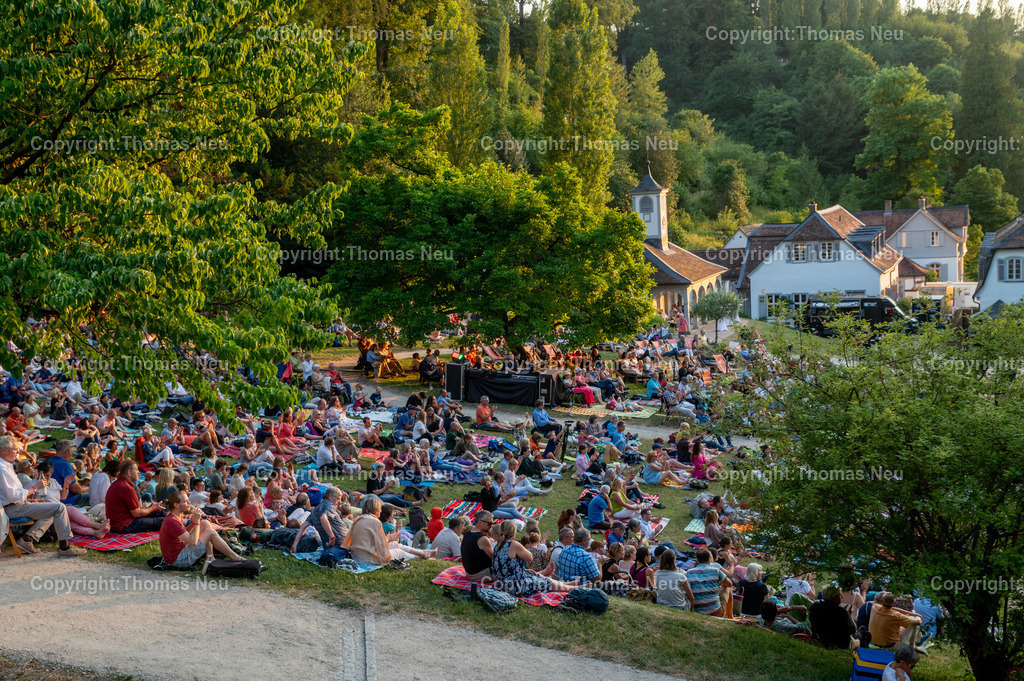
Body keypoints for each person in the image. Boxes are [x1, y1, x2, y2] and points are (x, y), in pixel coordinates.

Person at [0, 437, 86, 557]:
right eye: (14, 450)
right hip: (13, 508)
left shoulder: (6, 464)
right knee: (59, 508)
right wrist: (35, 488)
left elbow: (14, 494)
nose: (17, 452)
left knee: (54, 509)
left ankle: (27, 539)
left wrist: (29, 457)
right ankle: (64, 547)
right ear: (4, 451)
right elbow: (14, 496)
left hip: (17, 505)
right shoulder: (2, 469)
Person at [490, 520, 577, 596]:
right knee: (545, 582)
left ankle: (567, 584)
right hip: (514, 587)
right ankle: (574, 588)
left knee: (537, 576)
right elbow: (530, 558)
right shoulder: (513, 544)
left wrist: (524, 569)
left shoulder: (497, 545)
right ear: (514, 533)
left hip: (501, 584)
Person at [159, 491, 242, 568]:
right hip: (178, 560)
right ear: (176, 505)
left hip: (181, 551)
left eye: (188, 501)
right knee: (210, 532)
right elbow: (192, 541)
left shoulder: (174, 516)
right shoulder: (172, 521)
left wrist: (193, 522)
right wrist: (196, 521)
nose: (189, 503)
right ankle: (235, 557)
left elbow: (185, 534)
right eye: (185, 501)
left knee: (205, 523)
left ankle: (210, 558)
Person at [342, 496, 435, 565]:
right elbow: (380, 546)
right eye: (379, 509)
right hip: (367, 558)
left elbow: (365, 540)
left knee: (395, 545)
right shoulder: (375, 522)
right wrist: (388, 539)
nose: (380, 511)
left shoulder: (358, 519)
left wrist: (388, 539)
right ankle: (421, 556)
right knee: (399, 551)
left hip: (357, 554)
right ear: (375, 510)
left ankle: (423, 552)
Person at [107, 459, 166, 533]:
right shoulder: (126, 487)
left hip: (121, 521)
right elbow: (137, 513)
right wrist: (153, 508)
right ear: (129, 473)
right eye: (136, 470)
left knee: (160, 513)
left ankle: (177, 521)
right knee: (163, 521)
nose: (138, 472)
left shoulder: (118, 483)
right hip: (124, 525)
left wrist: (152, 508)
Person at [291, 487, 348, 554]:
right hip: (342, 544)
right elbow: (323, 518)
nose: (340, 502)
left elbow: (303, 527)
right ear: (330, 497)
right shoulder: (330, 505)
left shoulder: (316, 510)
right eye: (338, 498)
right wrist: (332, 537)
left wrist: (295, 544)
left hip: (328, 547)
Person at [686, 548, 732, 617]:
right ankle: (730, 616)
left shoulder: (689, 572)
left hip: (697, 611)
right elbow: (729, 584)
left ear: (697, 560)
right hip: (716, 612)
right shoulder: (715, 571)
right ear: (709, 559)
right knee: (727, 588)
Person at [809, 585, 858, 649]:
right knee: (858, 640)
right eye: (840, 595)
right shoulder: (842, 612)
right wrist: (849, 614)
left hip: (820, 639)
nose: (842, 597)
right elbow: (853, 631)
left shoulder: (815, 606)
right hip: (840, 644)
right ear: (835, 597)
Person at [460, 512, 495, 581]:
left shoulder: (467, 534)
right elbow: (495, 558)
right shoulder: (482, 539)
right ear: (480, 522)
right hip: (481, 575)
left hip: (469, 573)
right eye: (489, 523)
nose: (491, 526)